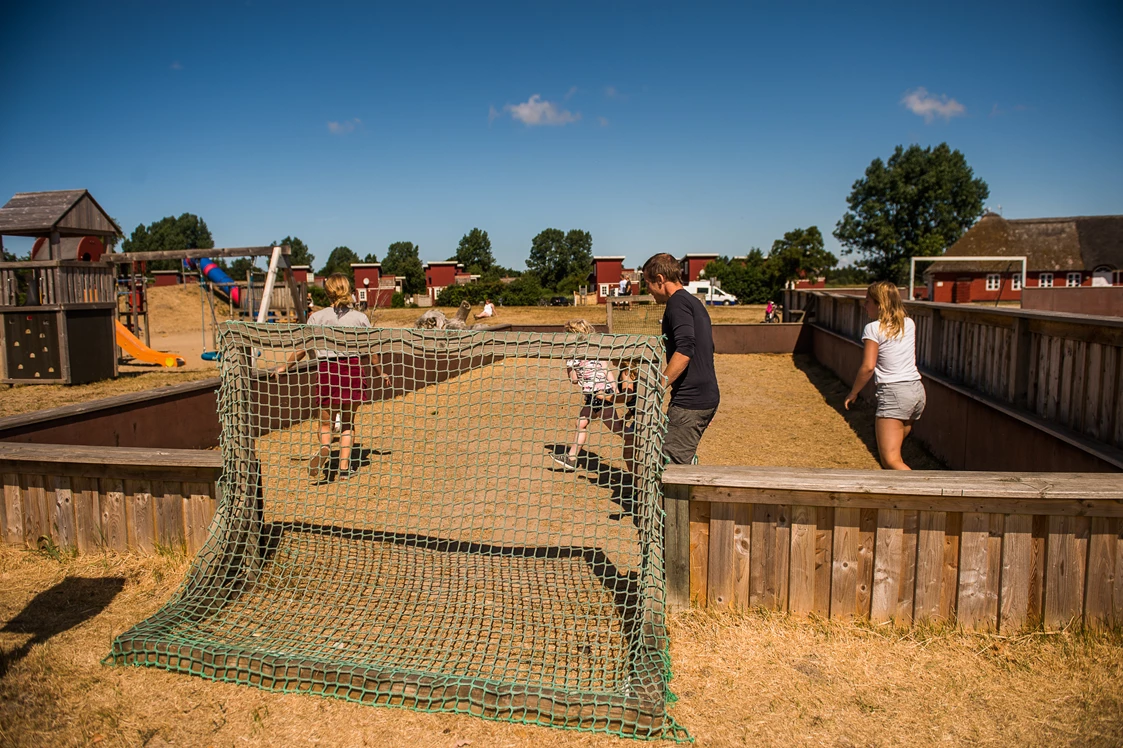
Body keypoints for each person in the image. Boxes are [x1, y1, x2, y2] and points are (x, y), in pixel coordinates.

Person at [272, 273, 391, 480]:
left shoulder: (317, 317)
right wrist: (380, 372)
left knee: (325, 424)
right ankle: (344, 469)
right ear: (348, 290)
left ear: (327, 292)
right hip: (352, 371)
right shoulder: (360, 318)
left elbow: (302, 349)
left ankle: (326, 447)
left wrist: (285, 366)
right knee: (347, 423)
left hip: (328, 371)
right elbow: (372, 350)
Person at [642, 253, 720, 464]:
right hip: (702, 398)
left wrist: (659, 385)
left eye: (647, 283)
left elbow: (685, 350)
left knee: (671, 467)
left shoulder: (677, 304)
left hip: (691, 401)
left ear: (660, 279)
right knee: (680, 459)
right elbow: (707, 348)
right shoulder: (694, 302)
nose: (647, 290)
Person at [844, 280, 926, 470]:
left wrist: (853, 392)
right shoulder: (909, 323)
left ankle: (924, 495)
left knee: (891, 460)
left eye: (868, 301)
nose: (864, 306)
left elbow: (868, 367)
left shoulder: (873, 328)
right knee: (893, 452)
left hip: (894, 393)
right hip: (916, 392)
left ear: (879, 305)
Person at [554, 319, 628, 471]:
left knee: (615, 427)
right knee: (581, 423)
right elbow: (607, 370)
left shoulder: (573, 357)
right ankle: (572, 458)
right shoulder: (595, 350)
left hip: (599, 394)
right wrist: (615, 388)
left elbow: (574, 380)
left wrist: (570, 367)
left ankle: (637, 439)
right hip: (597, 393)